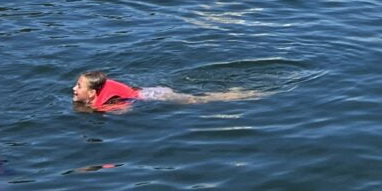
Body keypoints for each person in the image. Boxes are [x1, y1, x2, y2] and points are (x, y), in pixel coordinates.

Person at [72, 70, 261, 112]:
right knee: (196, 99)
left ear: (92, 93)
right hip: (150, 93)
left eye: (79, 86)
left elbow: (126, 109)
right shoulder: (97, 96)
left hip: (156, 95)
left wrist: (98, 110)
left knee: (197, 100)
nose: (74, 88)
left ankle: (238, 95)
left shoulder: (102, 105)